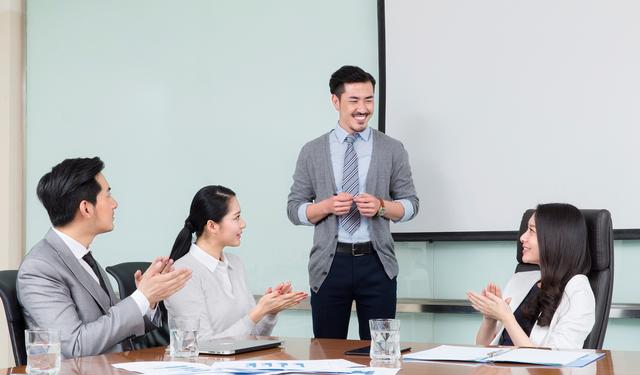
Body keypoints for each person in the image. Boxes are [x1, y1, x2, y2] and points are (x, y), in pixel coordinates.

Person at [287, 65, 419, 340]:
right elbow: (294, 209)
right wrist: (326, 207)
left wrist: (382, 206)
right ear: (336, 101)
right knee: (326, 352)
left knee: (380, 352)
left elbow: (410, 205)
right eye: (354, 101)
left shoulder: (392, 149)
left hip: (377, 263)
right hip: (329, 264)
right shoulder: (312, 151)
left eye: (369, 100)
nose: (363, 108)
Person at [17, 157, 192, 358]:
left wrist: (150, 299)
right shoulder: (39, 268)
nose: (114, 203)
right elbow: (74, 346)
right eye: (108, 195)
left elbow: (114, 326)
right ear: (86, 208)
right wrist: (141, 297)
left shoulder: (83, 257)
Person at [165, 185, 307, 341]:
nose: (243, 224)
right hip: (205, 364)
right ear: (212, 225)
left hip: (241, 364)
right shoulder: (181, 273)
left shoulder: (235, 264)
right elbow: (201, 345)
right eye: (236, 217)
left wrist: (269, 312)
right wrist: (258, 311)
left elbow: (252, 338)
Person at [467, 203, 595, 349]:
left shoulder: (578, 292)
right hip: (499, 369)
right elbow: (482, 347)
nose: (522, 237)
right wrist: (490, 318)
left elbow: (556, 361)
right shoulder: (520, 280)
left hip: (536, 372)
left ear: (554, 238)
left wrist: (506, 317)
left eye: (531, 231)